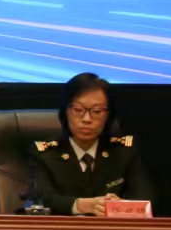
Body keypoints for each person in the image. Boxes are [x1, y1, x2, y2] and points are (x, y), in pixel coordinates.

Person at [27, 72, 155, 215]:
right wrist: (80, 205)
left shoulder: (123, 151)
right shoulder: (46, 153)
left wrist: (120, 206)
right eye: (78, 110)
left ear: (108, 115)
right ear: (65, 112)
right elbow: (41, 199)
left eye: (96, 111)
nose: (87, 119)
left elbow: (144, 200)